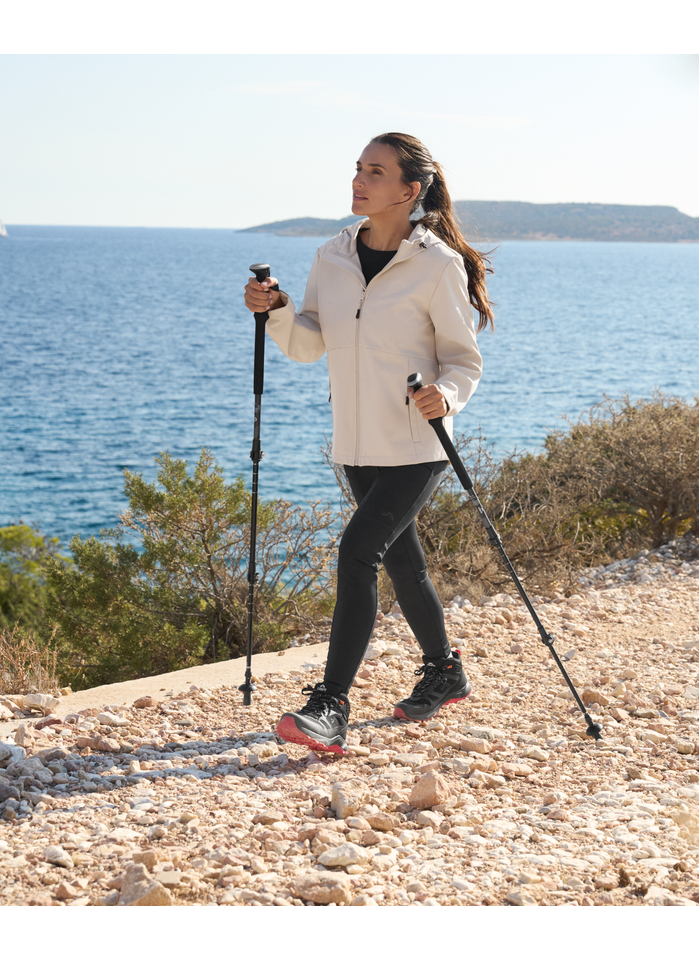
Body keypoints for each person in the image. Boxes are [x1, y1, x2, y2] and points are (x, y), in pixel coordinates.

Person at [242, 133, 492, 754]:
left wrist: (446, 396)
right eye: (358, 168)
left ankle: (330, 705)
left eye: (376, 172)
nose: (359, 180)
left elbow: (463, 360)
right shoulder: (331, 256)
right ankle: (445, 670)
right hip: (355, 443)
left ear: (410, 190)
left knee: (358, 552)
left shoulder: (437, 264)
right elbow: (309, 343)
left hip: (417, 444)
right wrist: (276, 309)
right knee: (403, 560)